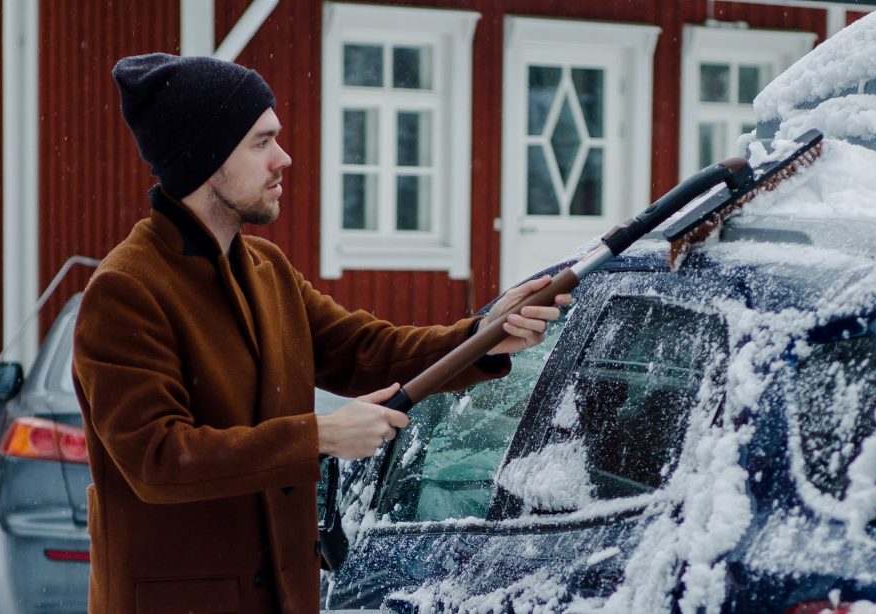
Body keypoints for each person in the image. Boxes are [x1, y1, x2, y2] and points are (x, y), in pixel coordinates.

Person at [72, 53, 569, 614]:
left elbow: (366, 350)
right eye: (261, 142)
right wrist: (319, 437)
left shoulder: (265, 268)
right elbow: (158, 460)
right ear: (206, 159)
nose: (283, 158)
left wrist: (485, 335)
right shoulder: (127, 291)